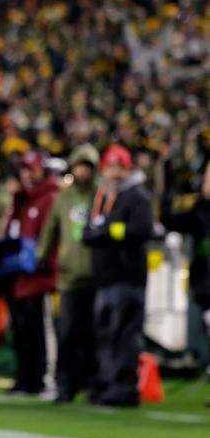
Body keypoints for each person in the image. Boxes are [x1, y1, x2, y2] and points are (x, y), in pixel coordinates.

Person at [84, 144, 153, 407]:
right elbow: (89, 233)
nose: (113, 173)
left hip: (128, 277)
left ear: (127, 169)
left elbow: (141, 229)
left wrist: (108, 231)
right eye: (110, 167)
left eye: (118, 168)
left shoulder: (137, 196)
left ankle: (123, 389)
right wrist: (105, 232)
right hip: (105, 277)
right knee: (105, 335)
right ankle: (106, 385)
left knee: (124, 335)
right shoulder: (102, 196)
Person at [38, 143, 100, 403]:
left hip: (97, 276)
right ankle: (66, 386)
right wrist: (40, 258)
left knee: (95, 335)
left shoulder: (101, 195)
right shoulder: (63, 198)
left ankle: (93, 385)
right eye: (79, 166)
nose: (82, 171)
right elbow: (50, 231)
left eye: (87, 167)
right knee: (67, 333)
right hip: (68, 277)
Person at [0, 151, 59, 396]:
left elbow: (48, 237)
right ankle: (23, 377)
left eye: (32, 169)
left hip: (38, 276)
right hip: (16, 273)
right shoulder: (21, 199)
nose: (27, 174)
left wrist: (41, 261)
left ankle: (39, 378)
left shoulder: (48, 198)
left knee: (36, 329)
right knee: (20, 329)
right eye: (24, 169)